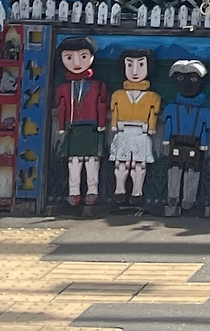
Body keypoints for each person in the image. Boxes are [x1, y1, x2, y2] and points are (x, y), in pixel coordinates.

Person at [54, 35, 108, 207]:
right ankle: (74, 191)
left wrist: (101, 124)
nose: (77, 62)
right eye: (69, 57)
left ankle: (92, 190)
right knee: (74, 161)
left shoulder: (98, 86)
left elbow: (101, 105)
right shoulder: (64, 88)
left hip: (91, 128)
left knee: (92, 161)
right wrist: (62, 126)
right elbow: (62, 108)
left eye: (83, 56)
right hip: (73, 128)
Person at [162, 58, 210, 215]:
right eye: (180, 78)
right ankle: (172, 197)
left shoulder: (204, 112)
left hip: (194, 143)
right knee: (174, 168)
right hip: (176, 142)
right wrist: (166, 141)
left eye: (193, 79)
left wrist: (204, 143)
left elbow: (205, 129)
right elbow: (168, 125)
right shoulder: (172, 109)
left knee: (192, 169)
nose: (187, 84)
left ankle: (189, 199)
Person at [109, 50, 160, 205]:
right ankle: (119, 190)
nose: (135, 71)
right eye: (130, 65)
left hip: (141, 133)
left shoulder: (153, 97)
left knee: (139, 165)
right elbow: (114, 112)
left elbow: (153, 114)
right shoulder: (118, 95)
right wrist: (114, 124)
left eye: (141, 65)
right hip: (123, 132)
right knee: (121, 164)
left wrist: (150, 127)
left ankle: (137, 192)